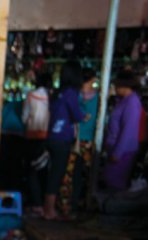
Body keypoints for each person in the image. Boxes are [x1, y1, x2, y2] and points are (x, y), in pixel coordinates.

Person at [43, 60, 85, 219]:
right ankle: (50, 210)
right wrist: (84, 117)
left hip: (51, 137)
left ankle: (48, 207)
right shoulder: (71, 93)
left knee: (51, 173)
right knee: (57, 174)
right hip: (62, 139)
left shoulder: (57, 93)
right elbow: (76, 115)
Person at [61, 69, 98, 212]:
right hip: (81, 140)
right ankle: (72, 204)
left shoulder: (76, 96)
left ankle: (72, 204)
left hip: (80, 139)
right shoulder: (93, 97)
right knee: (76, 175)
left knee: (74, 175)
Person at [103, 71, 143, 191]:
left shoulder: (131, 102)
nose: (114, 87)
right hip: (118, 148)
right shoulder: (124, 100)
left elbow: (128, 130)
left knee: (114, 180)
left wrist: (117, 153)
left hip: (123, 151)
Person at [22, 71, 51, 211]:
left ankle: (37, 203)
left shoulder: (31, 96)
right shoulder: (52, 97)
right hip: (47, 137)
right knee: (44, 171)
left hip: (32, 137)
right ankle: (45, 203)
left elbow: (24, 117)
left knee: (32, 171)